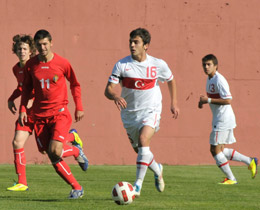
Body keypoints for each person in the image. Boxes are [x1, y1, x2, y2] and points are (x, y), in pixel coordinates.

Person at [105, 28, 179, 197]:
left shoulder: (157, 64)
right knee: (140, 151)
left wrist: (174, 103)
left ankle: (137, 186)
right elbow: (108, 89)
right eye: (130, 41)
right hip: (130, 115)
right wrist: (115, 96)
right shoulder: (122, 65)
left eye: (136, 42)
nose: (132, 45)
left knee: (143, 139)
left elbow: (170, 80)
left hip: (151, 110)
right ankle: (157, 169)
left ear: (146, 45)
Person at [18, 29, 88, 199]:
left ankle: (74, 148)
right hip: (39, 116)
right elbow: (27, 88)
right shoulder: (31, 65)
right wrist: (23, 109)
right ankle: (76, 183)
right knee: (48, 153)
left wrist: (79, 106)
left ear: (51, 43)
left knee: (55, 150)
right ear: (35, 46)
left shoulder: (62, 63)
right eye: (39, 45)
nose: (42, 48)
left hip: (60, 114)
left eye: (45, 44)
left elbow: (75, 84)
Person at [198, 54, 257, 184]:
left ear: (216, 66)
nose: (206, 67)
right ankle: (250, 161)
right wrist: (203, 102)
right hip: (220, 118)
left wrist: (207, 100)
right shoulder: (209, 79)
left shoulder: (219, 79)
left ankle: (231, 178)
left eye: (209, 64)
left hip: (223, 119)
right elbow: (214, 99)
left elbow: (228, 99)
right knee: (221, 150)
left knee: (214, 150)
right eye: (204, 65)